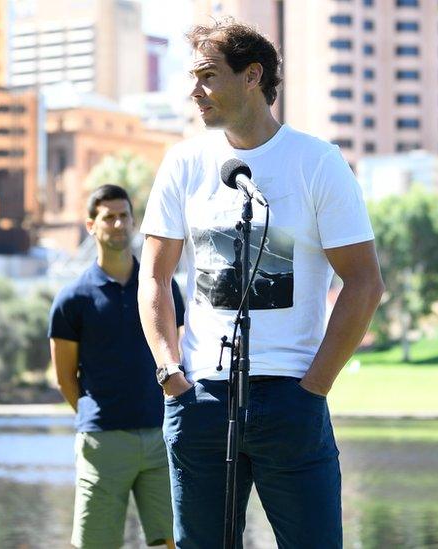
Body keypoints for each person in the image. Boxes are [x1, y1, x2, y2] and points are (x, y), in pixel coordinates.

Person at [137, 18, 383, 548]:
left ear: (253, 76)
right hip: (200, 398)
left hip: (291, 397)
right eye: (192, 76)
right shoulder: (183, 163)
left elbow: (364, 283)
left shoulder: (317, 162)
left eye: (207, 75)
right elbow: (154, 277)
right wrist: (169, 374)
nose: (193, 90)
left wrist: (315, 384)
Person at [49, 184, 185, 549]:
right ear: (91, 225)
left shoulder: (163, 289)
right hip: (103, 441)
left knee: (172, 541)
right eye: (108, 217)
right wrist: (97, 417)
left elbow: (181, 354)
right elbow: (64, 378)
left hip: (161, 433)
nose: (118, 223)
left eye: (124, 215)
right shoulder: (72, 299)